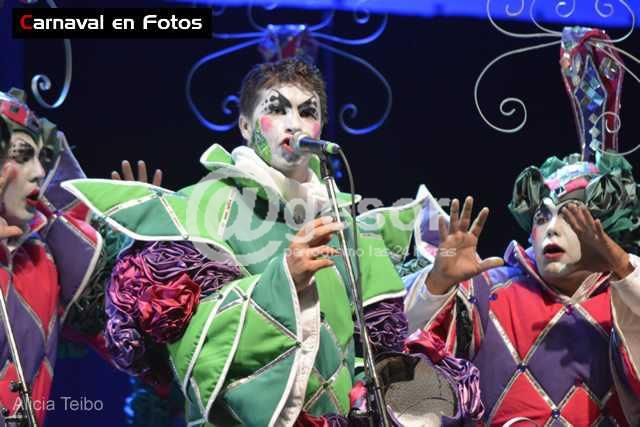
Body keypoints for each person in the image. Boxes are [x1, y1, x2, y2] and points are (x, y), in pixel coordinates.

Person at [62, 57, 483, 426]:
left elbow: (383, 344)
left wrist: (436, 283)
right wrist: (284, 283)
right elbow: (192, 343)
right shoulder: (206, 207)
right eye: (277, 109)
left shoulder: (346, 223)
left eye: (307, 111)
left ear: (321, 128)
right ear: (245, 125)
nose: (294, 123)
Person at [404, 27, 640, 425]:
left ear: (602, 227)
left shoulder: (623, 298)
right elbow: (401, 346)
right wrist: (438, 283)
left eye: (569, 214)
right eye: (542, 216)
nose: (551, 228)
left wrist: (619, 265)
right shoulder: (488, 289)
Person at [0, 87, 163, 425]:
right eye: (22, 155)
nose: (38, 172)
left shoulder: (44, 260)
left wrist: (141, 253)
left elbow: (137, 351)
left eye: (41, 157)